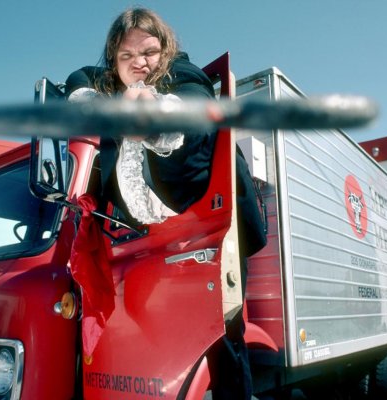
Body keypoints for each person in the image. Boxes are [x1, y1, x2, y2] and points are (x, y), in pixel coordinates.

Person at [65, 8, 266, 399]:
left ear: (165, 51)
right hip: (150, 241)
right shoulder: (109, 87)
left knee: (223, 332)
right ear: (114, 63)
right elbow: (77, 79)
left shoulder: (185, 77)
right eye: (127, 55)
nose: (139, 62)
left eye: (149, 51)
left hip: (210, 229)